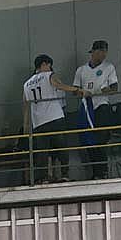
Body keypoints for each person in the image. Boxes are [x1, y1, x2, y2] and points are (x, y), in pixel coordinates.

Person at [23, 54, 83, 184]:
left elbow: (26, 106)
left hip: (38, 122)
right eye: (49, 65)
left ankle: (43, 177)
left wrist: (26, 125)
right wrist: (77, 89)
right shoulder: (49, 75)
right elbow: (59, 85)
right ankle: (65, 174)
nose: (50, 68)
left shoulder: (26, 84)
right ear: (44, 64)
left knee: (42, 152)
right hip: (54, 117)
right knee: (61, 147)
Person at [74, 40, 119, 179]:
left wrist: (106, 90)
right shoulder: (81, 70)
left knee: (101, 139)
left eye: (105, 52)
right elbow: (75, 90)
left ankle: (102, 171)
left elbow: (115, 88)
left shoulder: (109, 67)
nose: (104, 55)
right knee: (88, 140)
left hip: (101, 106)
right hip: (86, 108)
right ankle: (96, 172)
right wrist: (82, 92)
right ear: (94, 52)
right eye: (101, 51)